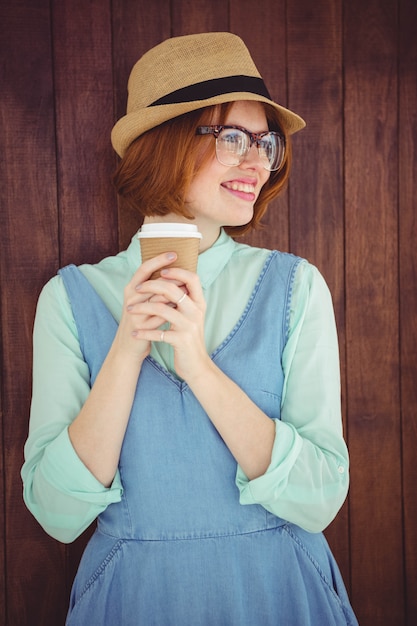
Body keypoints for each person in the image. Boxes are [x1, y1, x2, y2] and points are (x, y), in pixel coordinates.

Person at [21, 32, 358, 625]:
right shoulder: (71, 299)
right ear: (164, 145)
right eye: (233, 138)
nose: (258, 162)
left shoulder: (296, 287)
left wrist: (199, 368)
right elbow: (56, 512)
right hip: (135, 601)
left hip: (282, 594)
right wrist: (126, 348)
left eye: (266, 142)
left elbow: (322, 495)